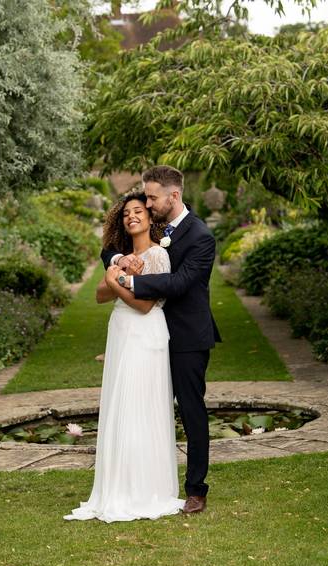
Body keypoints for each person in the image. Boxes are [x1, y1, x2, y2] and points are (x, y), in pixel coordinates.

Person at [102, 166, 221, 515]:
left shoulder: (200, 236)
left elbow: (179, 283)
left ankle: (196, 489)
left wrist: (127, 283)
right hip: (148, 336)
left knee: (191, 410)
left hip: (186, 337)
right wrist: (118, 259)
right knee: (144, 408)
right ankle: (142, 483)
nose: (147, 203)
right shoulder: (155, 225)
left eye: (152, 197)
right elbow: (110, 246)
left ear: (174, 196)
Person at [65, 190, 185, 522]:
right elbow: (100, 296)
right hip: (120, 330)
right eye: (125, 213)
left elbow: (145, 304)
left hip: (146, 333)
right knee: (120, 403)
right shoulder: (120, 256)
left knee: (141, 405)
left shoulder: (159, 257)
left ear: (150, 218)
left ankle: (145, 489)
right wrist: (119, 272)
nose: (131, 216)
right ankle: (117, 487)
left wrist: (114, 278)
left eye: (138, 211)